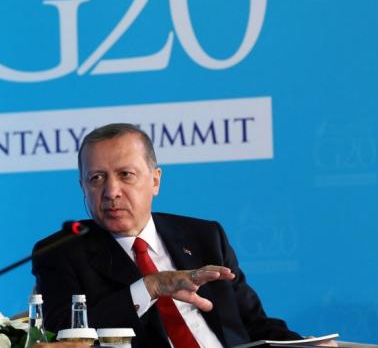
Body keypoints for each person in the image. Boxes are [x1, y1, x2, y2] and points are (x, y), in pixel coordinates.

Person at [32, 123, 302, 347]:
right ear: (83, 186)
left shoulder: (205, 236)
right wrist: (150, 287)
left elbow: (254, 323)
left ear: (155, 181)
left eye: (126, 175)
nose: (111, 192)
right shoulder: (61, 252)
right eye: (97, 178)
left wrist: (307, 345)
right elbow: (66, 333)